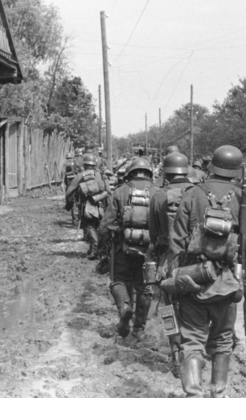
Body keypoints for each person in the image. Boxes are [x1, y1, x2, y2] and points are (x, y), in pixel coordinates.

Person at [166, 145, 246, 398]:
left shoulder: (193, 193)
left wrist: (176, 278)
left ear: (211, 166)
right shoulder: (242, 197)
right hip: (227, 281)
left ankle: (193, 395)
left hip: (193, 278)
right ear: (237, 170)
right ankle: (217, 394)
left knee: (191, 339)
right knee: (222, 339)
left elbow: (176, 241)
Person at [148, 152, 196, 377]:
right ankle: (194, 352)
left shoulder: (159, 195)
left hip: (168, 260)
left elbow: (154, 232)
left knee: (168, 307)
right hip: (195, 260)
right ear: (186, 171)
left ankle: (176, 353)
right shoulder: (198, 192)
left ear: (165, 173)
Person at [100, 157, 157, 340]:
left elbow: (105, 225)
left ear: (130, 173)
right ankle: (139, 329)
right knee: (144, 288)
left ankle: (124, 307)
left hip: (122, 248)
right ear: (150, 173)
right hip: (149, 252)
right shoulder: (158, 192)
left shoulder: (120, 191)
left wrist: (106, 245)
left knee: (118, 281)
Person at [65, 153, 110, 259]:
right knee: (98, 227)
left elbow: (70, 191)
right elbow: (108, 190)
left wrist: (69, 204)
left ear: (84, 165)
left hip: (87, 206)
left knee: (88, 226)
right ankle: (99, 248)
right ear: (95, 164)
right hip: (101, 205)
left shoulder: (81, 175)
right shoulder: (100, 174)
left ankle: (95, 248)